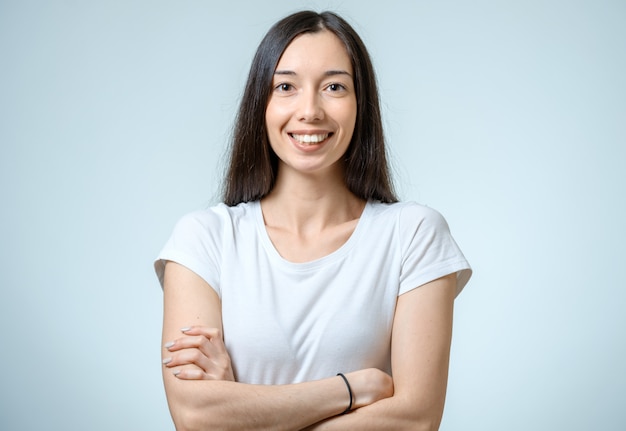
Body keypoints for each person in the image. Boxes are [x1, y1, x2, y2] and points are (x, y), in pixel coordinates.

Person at [155, 10, 471, 431]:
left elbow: (415, 419)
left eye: (334, 87)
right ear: (260, 104)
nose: (310, 111)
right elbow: (195, 417)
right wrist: (352, 388)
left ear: (362, 104)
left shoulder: (414, 234)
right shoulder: (205, 239)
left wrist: (243, 410)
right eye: (285, 86)